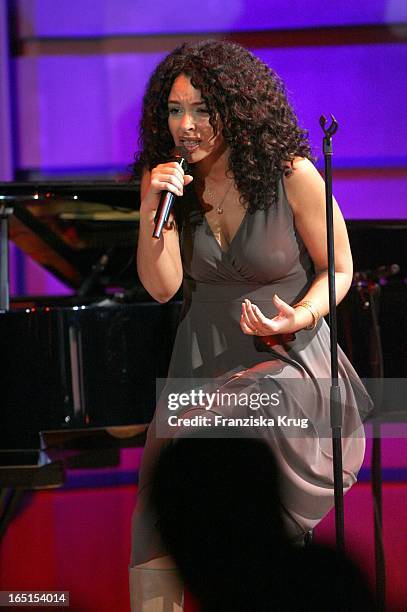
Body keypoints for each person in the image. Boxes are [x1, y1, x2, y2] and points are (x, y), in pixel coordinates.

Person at [129, 39, 372, 611]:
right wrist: (151, 211)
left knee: (229, 472)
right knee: (158, 514)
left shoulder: (292, 175)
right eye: (174, 109)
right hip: (202, 358)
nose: (185, 124)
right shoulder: (166, 185)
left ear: (237, 108)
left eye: (202, 109)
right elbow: (162, 287)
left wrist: (302, 314)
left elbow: (339, 267)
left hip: (287, 359)